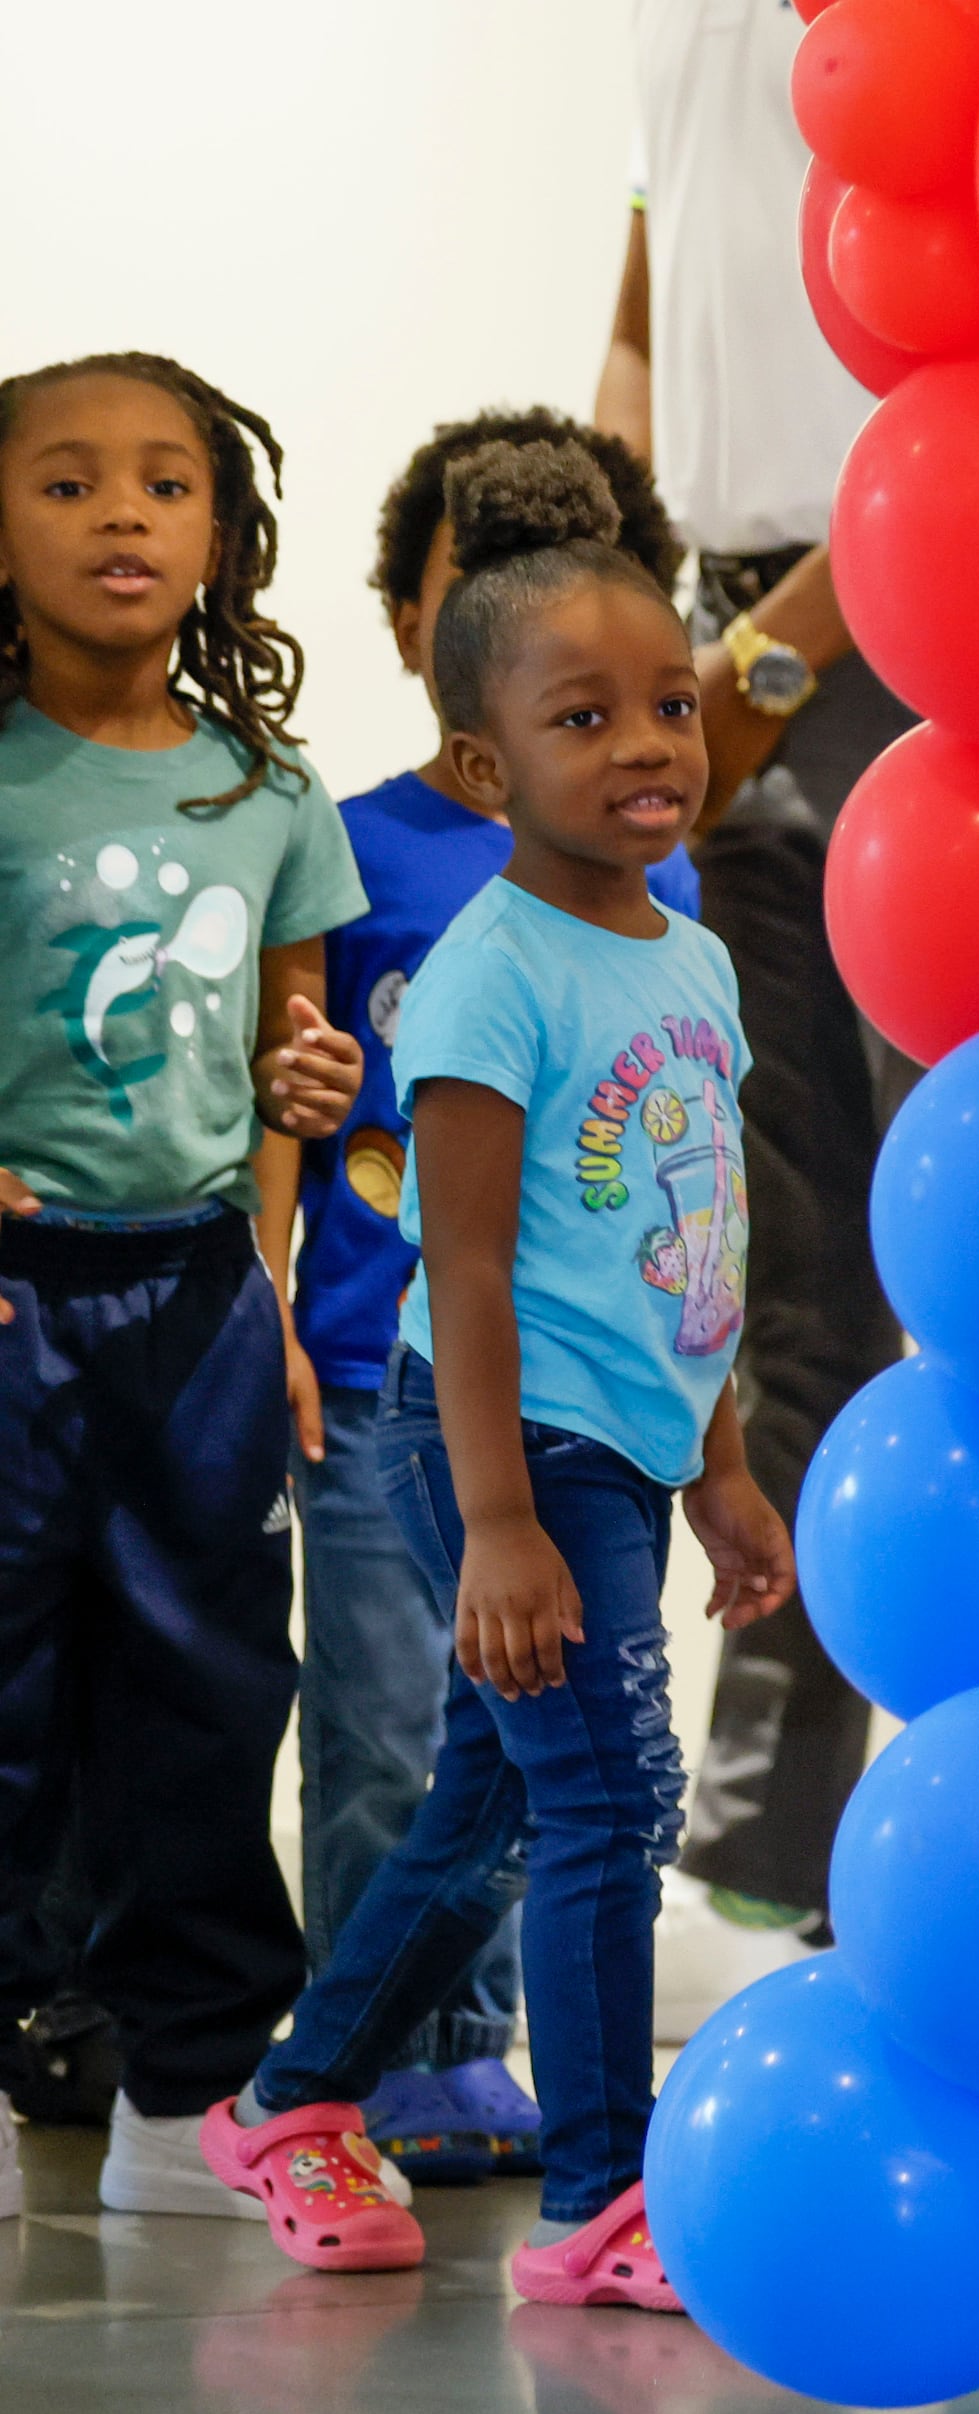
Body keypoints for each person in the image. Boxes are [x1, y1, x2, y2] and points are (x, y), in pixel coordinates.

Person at [202, 442, 793, 2305]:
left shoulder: (690, 959)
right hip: (502, 1448)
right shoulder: (487, 971)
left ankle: (293, 2098)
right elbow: (459, 1269)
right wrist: (503, 1524)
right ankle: (599, 2201)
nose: (647, 745)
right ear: (484, 766)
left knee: (493, 1804)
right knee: (612, 1798)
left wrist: (723, 1464)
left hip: (623, 1446)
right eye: (584, 715)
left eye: (669, 706)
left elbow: (690, 1257)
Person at [0, 353, 368, 2228]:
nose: (119, 514)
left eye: (161, 484)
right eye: (64, 484)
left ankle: (195, 2078)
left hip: (205, 1298)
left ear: (222, 534)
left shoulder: (271, 792)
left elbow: (289, 1071)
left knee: (212, 1683)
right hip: (11, 1296)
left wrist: (275, 1294)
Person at [608, 0, 921, 2025]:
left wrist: (771, 659)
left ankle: (976, 1831)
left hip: (908, 621)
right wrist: (611, 603)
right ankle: (770, 1851)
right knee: (775, 1284)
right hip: (720, 627)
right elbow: (647, 297)